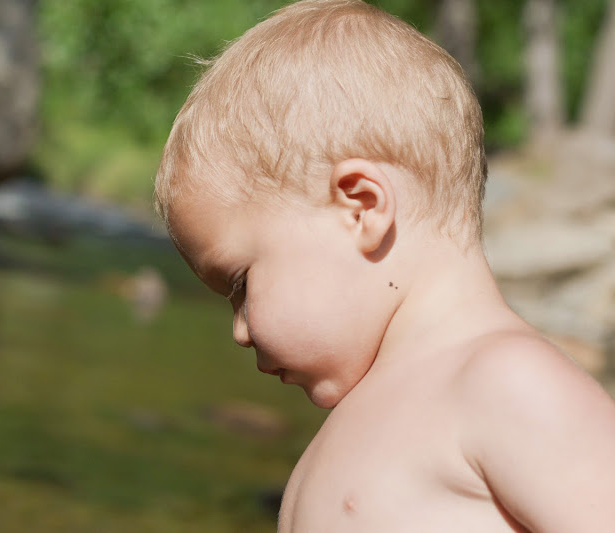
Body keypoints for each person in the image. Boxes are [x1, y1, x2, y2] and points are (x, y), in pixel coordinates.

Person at [153, 1, 615, 531]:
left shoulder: (508, 383)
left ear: (361, 208)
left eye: (240, 282)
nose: (239, 330)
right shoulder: (368, 412)